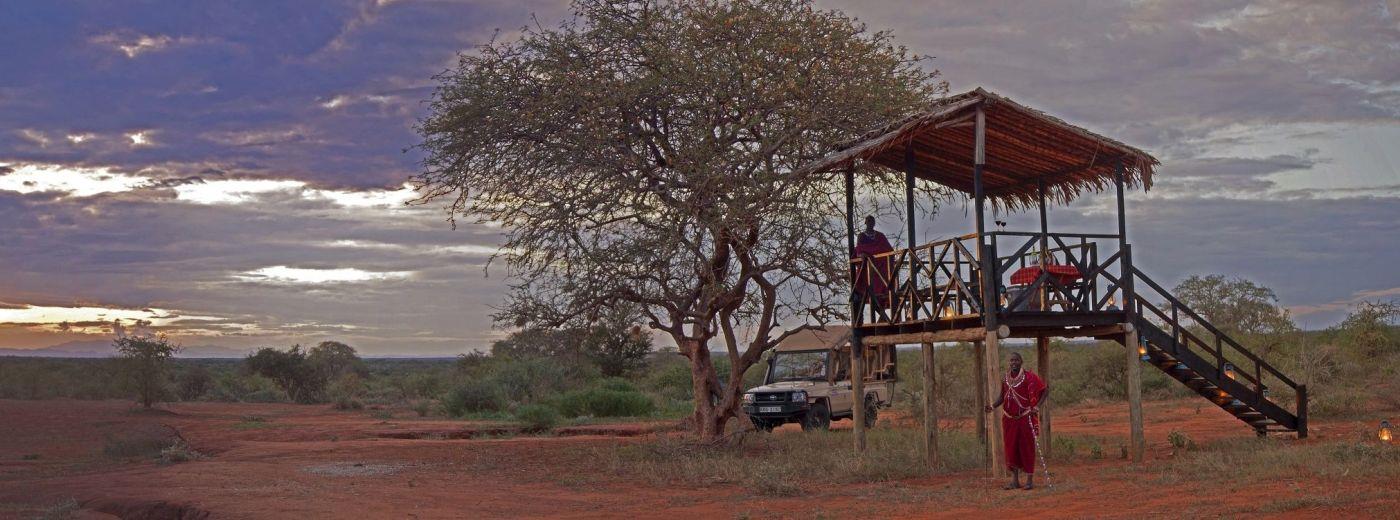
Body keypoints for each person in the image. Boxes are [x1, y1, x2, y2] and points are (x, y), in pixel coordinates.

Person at [984, 352, 1048, 490]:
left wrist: (1037, 406)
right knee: (1011, 449)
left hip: (1025, 418)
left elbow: (1045, 390)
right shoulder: (1006, 379)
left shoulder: (1029, 377)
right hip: (1009, 420)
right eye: (1011, 360)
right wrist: (992, 406)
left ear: (1021, 361)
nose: (1013, 363)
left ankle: (1029, 481)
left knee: (1027, 449)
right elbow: (1002, 397)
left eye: (1016, 360)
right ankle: (1015, 481)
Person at [852, 216, 894, 317]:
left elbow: (888, 250)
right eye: (869, 221)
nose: (871, 223)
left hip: (880, 266)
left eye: (872, 221)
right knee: (866, 274)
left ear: (874, 223)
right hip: (868, 267)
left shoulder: (880, 236)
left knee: (886, 265)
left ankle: (885, 290)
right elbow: (859, 251)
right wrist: (865, 255)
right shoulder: (861, 236)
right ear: (865, 222)